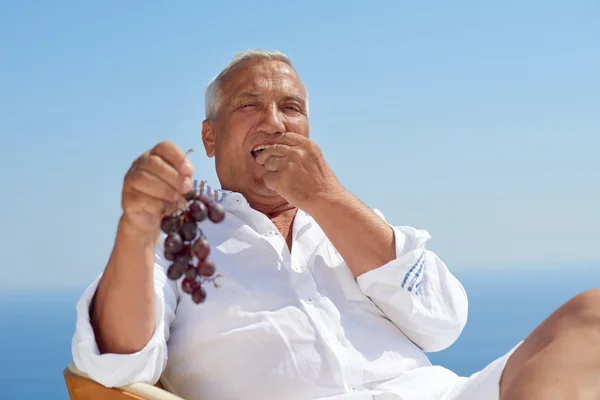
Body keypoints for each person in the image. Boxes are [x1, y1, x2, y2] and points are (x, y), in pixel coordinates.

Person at [72, 49, 600, 400]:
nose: (275, 122)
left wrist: (325, 197)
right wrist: (136, 229)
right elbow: (117, 370)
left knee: (590, 316)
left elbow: (443, 322)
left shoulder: (346, 219)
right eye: (248, 106)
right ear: (209, 139)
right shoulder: (173, 244)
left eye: (291, 107)